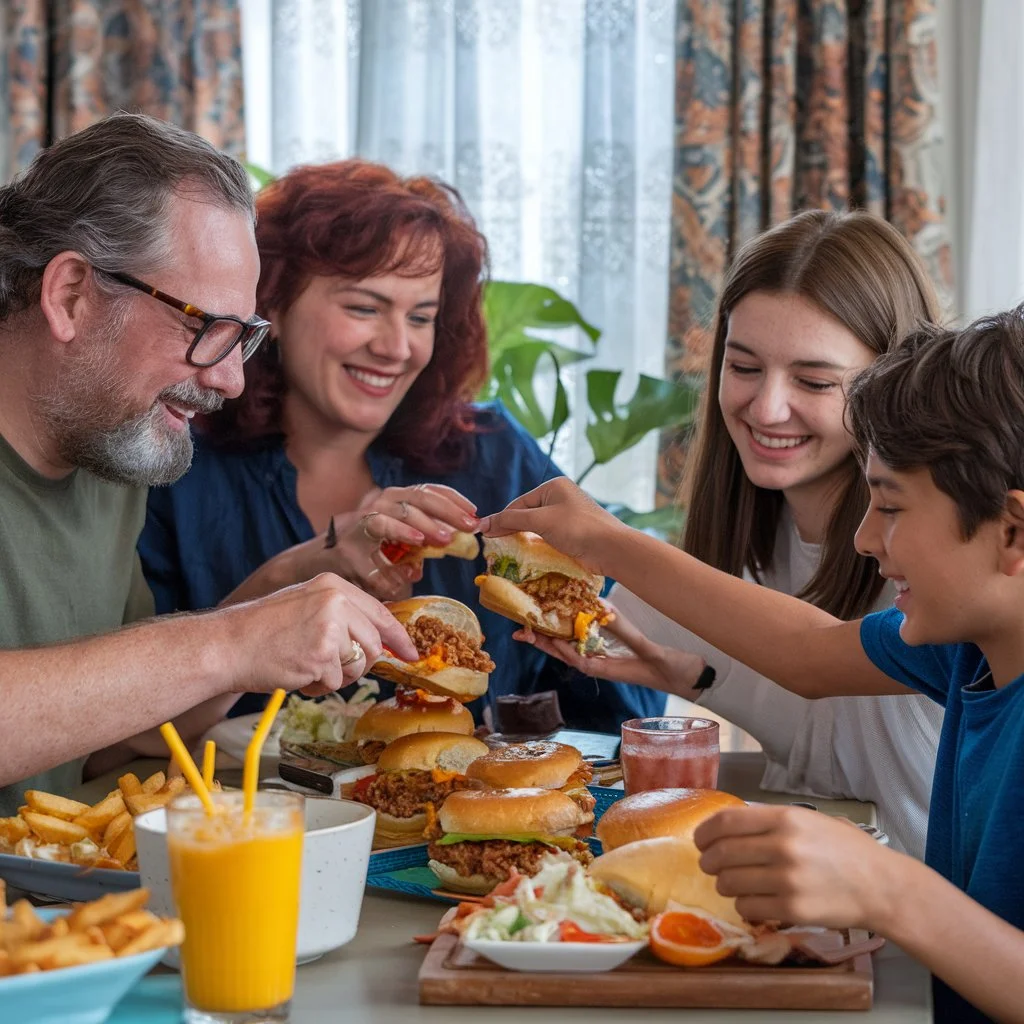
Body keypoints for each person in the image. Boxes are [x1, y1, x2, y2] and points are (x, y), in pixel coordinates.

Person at [481, 306, 1024, 1023]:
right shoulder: (965, 646)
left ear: (1012, 531)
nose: (864, 538)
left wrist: (887, 889)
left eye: (888, 506)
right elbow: (808, 651)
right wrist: (606, 544)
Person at [137, 159, 663, 733]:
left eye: (421, 317)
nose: (396, 347)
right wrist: (283, 580)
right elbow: (125, 732)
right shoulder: (174, 466)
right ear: (273, 306)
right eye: (364, 307)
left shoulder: (493, 456)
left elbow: (620, 699)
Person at [0, 114, 416, 810]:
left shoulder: (108, 449)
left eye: (242, 337)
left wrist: (279, 590)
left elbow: (103, 737)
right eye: (203, 327)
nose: (230, 381)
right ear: (70, 294)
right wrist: (228, 641)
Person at [522, 210, 943, 858]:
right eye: (743, 367)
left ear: (893, 383)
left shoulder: (936, 550)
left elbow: (818, 662)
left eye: (814, 381)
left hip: (940, 934)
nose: (767, 407)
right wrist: (698, 679)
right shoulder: (761, 533)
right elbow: (826, 747)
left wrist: (606, 539)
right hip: (823, 925)